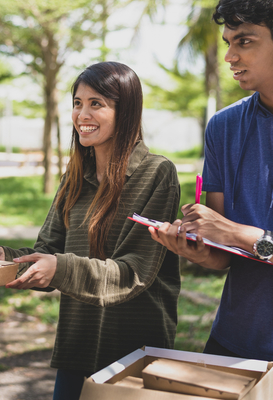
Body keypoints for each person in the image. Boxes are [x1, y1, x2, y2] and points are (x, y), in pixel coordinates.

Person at [0, 61, 181, 400]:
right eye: (77, 103)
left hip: (134, 353)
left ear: (125, 111)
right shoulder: (74, 178)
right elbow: (49, 252)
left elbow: (134, 273)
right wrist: (4, 259)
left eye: (96, 103)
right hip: (76, 347)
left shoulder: (156, 173)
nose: (82, 113)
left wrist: (60, 268)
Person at [149, 0, 273, 362]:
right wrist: (199, 249)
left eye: (244, 42)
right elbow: (224, 257)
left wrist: (238, 233)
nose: (230, 56)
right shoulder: (223, 127)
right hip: (233, 343)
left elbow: (235, 235)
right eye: (227, 43)